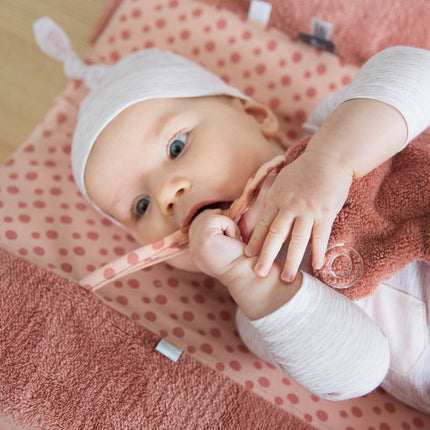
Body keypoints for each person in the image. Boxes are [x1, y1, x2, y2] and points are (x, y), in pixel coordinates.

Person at [34, 18, 430, 413]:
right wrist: (247, 279)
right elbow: (359, 371)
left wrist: (332, 160)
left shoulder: (331, 127)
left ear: (254, 116)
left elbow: (419, 72)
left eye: (176, 147)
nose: (166, 194)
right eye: (141, 206)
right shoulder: (259, 318)